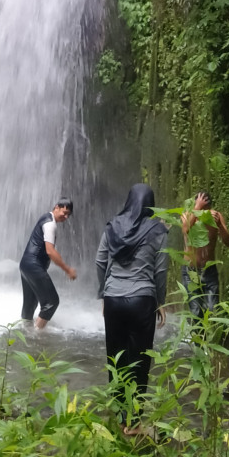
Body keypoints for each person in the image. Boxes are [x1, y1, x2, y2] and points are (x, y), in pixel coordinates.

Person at [96, 183, 169, 435]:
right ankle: (133, 422)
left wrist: (103, 293)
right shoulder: (158, 230)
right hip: (142, 301)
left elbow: (99, 261)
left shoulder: (112, 225)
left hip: (114, 300)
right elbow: (160, 271)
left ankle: (117, 416)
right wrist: (161, 302)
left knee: (115, 357)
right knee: (139, 360)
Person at [19, 198, 76, 328]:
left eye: (68, 215)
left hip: (25, 265)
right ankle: (36, 336)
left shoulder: (45, 218)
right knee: (51, 302)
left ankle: (24, 332)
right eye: (64, 212)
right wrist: (67, 269)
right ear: (56, 207)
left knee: (30, 303)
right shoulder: (50, 224)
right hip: (34, 265)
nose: (66, 217)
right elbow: (50, 251)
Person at [181, 190, 229, 325]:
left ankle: (211, 343)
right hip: (191, 270)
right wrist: (197, 209)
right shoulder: (187, 215)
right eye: (200, 208)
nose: (204, 213)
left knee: (213, 310)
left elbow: (228, 243)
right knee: (196, 311)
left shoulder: (216, 217)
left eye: (206, 209)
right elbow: (185, 229)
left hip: (209, 270)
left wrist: (219, 226)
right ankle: (197, 342)